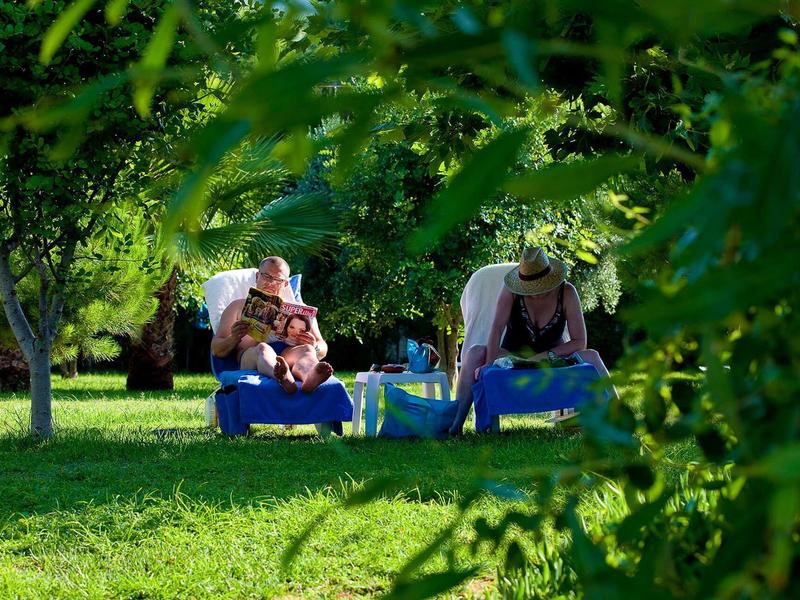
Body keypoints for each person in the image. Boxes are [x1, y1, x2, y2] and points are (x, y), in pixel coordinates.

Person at [449, 246, 617, 435]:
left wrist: (547, 355)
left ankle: (618, 416)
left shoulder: (567, 292)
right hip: (514, 355)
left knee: (592, 356)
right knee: (473, 354)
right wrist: (489, 363)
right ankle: (456, 424)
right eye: (530, 289)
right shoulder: (511, 291)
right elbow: (496, 328)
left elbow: (579, 342)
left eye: (541, 288)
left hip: (553, 358)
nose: (535, 293)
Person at [211, 256, 333, 394]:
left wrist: (315, 347)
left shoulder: (300, 310)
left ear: (285, 284)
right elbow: (216, 349)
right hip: (252, 356)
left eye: (277, 280)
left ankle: (310, 377)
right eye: (266, 277)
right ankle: (282, 376)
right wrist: (233, 338)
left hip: (289, 354)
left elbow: (322, 346)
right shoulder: (238, 307)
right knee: (263, 348)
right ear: (258, 276)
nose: (270, 283)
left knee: (307, 351)